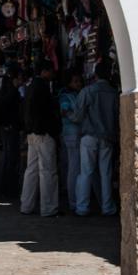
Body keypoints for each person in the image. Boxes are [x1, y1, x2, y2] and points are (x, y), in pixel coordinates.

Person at [73, 62, 119, 216]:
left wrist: (67, 115)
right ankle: (107, 207)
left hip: (89, 136)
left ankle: (82, 207)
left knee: (86, 172)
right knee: (106, 173)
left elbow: (78, 116)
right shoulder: (114, 93)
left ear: (96, 75)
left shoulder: (87, 92)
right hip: (107, 137)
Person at [20, 61, 61, 217]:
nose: (52, 75)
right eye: (51, 71)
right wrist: (49, 130)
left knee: (31, 170)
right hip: (43, 133)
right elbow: (45, 112)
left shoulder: (31, 87)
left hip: (33, 133)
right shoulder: (42, 87)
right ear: (45, 71)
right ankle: (48, 207)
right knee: (47, 170)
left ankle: (27, 205)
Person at [58, 70, 84, 212]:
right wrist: (77, 118)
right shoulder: (65, 97)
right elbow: (65, 112)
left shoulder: (76, 95)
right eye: (75, 81)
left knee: (73, 167)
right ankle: (73, 200)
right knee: (73, 168)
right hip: (71, 135)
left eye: (79, 81)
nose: (78, 84)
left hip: (74, 134)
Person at [0, 66, 23, 199]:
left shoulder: (7, 91)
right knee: (10, 157)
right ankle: (8, 187)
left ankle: (6, 187)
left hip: (8, 127)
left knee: (8, 157)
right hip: (10, 127)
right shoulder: (12, 93)